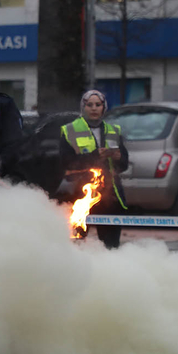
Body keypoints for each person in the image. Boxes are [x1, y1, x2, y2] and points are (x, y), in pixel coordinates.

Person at [59, 90, 128, 249]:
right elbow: (66, 162)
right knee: (76, 245)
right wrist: (94, 156)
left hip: (110, 197)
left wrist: (118, 158)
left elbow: (124, 164)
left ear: (104, 107)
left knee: (111, 247)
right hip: (79, 196)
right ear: (83, 107)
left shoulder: (114, 130)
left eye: (98, 104)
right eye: (89, 105)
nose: (94, 108)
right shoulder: (70, 130)